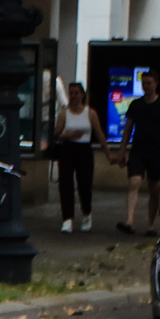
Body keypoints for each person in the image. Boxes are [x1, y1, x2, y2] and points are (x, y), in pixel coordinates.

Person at [116, 70, 160, 236]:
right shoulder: (136, 105)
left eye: (149, 83)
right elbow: (127, 130)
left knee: (154, 188)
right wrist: (122, 151)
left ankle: (151, 224)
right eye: (144, 83)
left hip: (157, 151)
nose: (146, 86)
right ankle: (129, 221)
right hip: (138, 150)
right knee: (134, 182)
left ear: (156, 84)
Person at [51, 81, 98, 233]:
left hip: (84, 149)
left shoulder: (90, 113)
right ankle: (67, 219)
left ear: (82, 94)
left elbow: (99, 133)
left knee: (84, 185)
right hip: (68, 149)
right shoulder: (64, 113)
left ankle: (86, 213)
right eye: (71, 93)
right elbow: (57, 135)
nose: (73, 96)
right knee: (65, 184)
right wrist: (69, 134)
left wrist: (110, 154)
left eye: (76, 93)